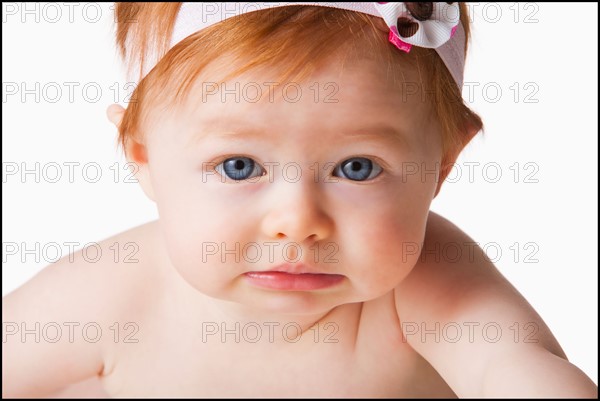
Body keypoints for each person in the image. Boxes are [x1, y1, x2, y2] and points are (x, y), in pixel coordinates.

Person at [2, 2, 597, 398]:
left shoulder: (430, 287)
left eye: (356, 168)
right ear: (144, 157)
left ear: (441, 163)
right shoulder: (113, 291)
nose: (297, 222)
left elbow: (512, 371)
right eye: (239, 166)